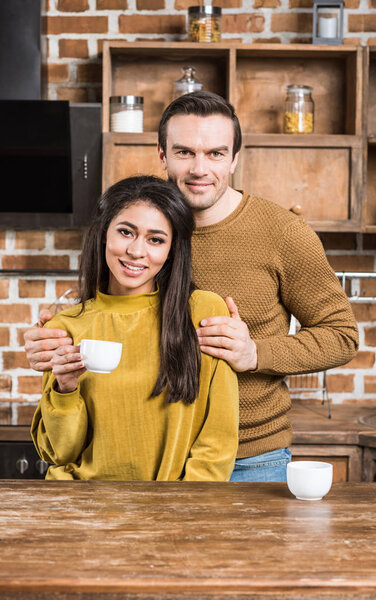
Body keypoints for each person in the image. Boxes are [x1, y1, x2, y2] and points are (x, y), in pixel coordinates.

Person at [25, 92, 358, 482]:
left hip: (247, 458)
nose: (200, 168)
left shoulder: (283, 232)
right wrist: (51, 348)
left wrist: (254, 352)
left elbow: (342, 336)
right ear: (163, 155)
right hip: (149, 458)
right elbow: (113, 317)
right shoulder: (140, 231)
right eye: (184, 152)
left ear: (234, 158)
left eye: (216, 153)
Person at [31, 175, 239, 481]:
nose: (136, 251)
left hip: (171, 512)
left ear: (171, 250)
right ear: (104, 234)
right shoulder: (66, 326)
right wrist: (65, 389)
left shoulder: (203, 312)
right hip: (80, 508)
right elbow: (58, 453)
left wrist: (183, 512)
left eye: (156, 239)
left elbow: (217, 444)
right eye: (126, 232)